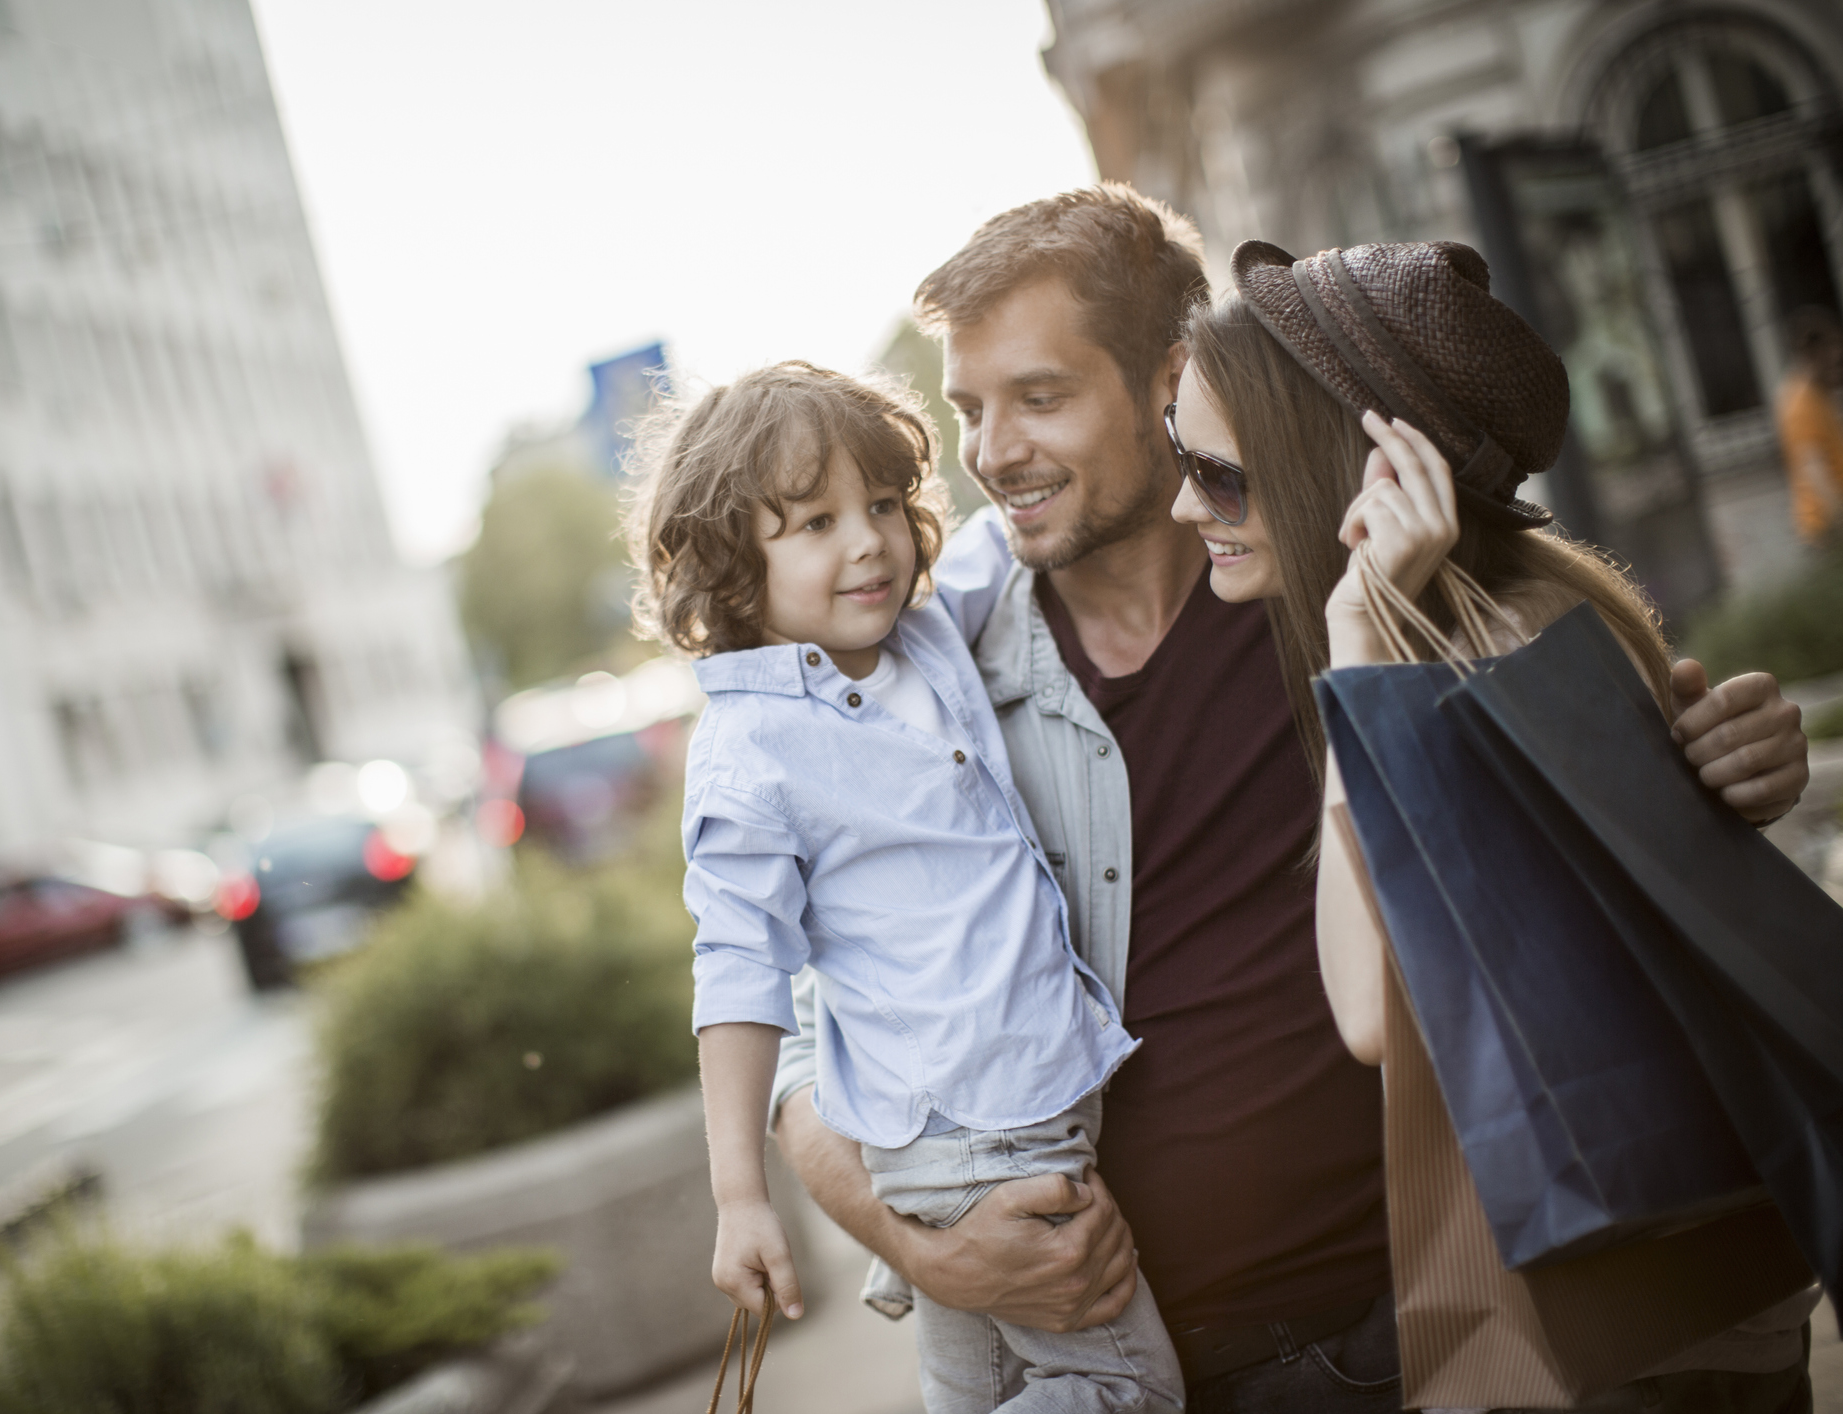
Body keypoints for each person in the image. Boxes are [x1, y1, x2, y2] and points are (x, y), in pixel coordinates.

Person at [767, 186, 1814, 1414]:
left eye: (1039, 397)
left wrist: (1710, 768)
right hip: (1198, 1361)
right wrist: (926, 1250)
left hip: (1491, 1305)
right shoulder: (923, 688)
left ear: (1172, 381)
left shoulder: (1355, 578)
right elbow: (800, 1039)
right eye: (970, 409)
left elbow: (1587, 848)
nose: (991, 451)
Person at [1167, 235, 1819, 1412]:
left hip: (1633, 1329)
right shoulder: (1540, 594)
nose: (1184, 503)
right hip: (1687, 1296)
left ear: (1349, 467)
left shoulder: (1476, 646)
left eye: (1219, 474)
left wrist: (1360, 652)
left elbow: (1372, 1012)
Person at [628, 362, 1183, 1412]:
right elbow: (739, 974)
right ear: (730, 564)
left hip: (987, 1113)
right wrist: (741, 1195)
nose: (868, 540)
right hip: (977, 1133)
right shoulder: (750, 747)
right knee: (1131, 1389)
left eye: (882, 503)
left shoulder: (922, 636)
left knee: (979, 1392)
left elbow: (1001, 539)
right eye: (813, 522)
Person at [1777, 306, 1843, 549]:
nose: (1838, 355)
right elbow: (1814, 470)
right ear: (1813, 354)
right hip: (1826, 529)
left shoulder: (1819, 395)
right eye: (1832, 349)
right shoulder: (1800, 403)